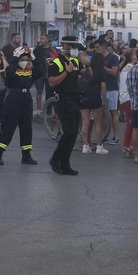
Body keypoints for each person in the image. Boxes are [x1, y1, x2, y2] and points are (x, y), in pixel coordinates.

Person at [0, 45, 40, 166]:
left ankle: (26, 155)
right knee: (8, 127)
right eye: (22, 59)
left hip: (26, 98)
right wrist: (14, 58)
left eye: (27, 60)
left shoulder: (29, 69)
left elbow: (41, 72)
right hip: (14, 98)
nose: (25, 62)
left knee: (27, 128)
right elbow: (9, 71)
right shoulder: (13, 68)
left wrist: (33, 59)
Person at [47, 37, 85, 175]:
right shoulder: (56, 63)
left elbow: (88, 74)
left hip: (75, 100)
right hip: (63, 100)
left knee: (73, 133)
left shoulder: (75, 61)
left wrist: (86, 63)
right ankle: (56, 159)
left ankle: (65, 162)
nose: (74, 48)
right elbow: (52, 82)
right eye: (72, 46)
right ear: (64, 45)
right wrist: (67, 72)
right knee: (69, 132)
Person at [79, 48, 109, 155]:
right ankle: (99, 146)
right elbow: (103, 86)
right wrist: (105, 100)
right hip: (95, 97)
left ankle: (85, 145)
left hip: (84, 96)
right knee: (98, 123)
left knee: (85, 123)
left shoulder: (87, 70)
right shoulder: (102, 72)